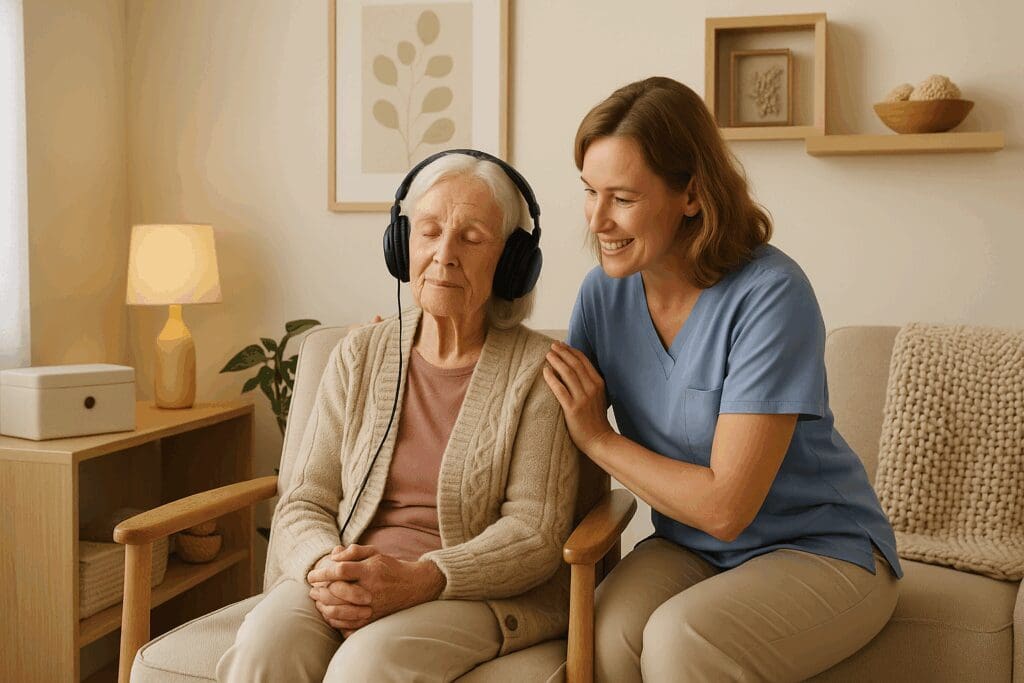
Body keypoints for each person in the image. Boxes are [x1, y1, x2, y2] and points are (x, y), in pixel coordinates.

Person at [542, 76, 903, 682]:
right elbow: (543, 399)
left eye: (623, 198)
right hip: (690, 550)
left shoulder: (771, 296)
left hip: (821, 549)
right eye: (589, 191)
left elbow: (725, 507)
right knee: (604, 632)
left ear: (690, 194)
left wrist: (599, 439)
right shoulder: (602, 295)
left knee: (681, 639)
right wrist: (419, 338)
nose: (598, 219)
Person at [217, 150, 579, 682]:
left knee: (365, 668)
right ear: (402, 245)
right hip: (349, 576)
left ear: (511, 262)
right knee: (264, 646)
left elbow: (533, 533)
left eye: (472, 238)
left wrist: (419, 578)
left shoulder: (537, 373)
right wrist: (326, 567)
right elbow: (304, 499)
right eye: (429, 232)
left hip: (469, 592)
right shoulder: (358, 354)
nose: (444, 255)